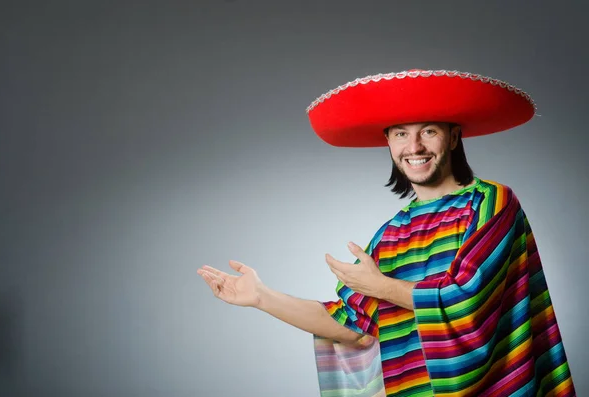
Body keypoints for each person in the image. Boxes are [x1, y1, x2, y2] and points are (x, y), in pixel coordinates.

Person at [197, 69, 576, 396]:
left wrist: (382, 287)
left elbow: (467, 301)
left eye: (428, 131)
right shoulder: (391, 235)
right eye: (400, 134)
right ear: (389, 143)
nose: (414, 147)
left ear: (454, 136)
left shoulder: (490, 202)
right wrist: (262, 297)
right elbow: (354, 327)